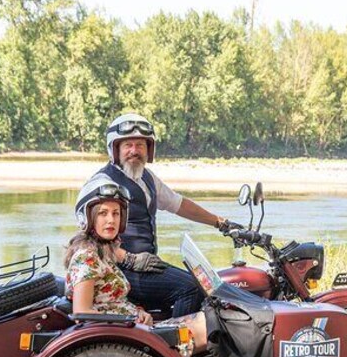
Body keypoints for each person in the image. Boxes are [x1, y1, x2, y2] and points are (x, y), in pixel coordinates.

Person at [89, 113, 238, 318]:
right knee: (191, 288)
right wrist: (129, 259)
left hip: (145, 266)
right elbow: (88, 239)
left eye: (140, 145)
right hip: (119, 270)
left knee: (200, 283)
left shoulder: (146, 178)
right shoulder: (101, 184)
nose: (134, 151)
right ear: (115, 149)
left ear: (149, 149)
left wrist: (221, 223)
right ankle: (179, 346)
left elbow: (179, 204)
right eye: (128, 145)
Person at [64, 175, 210, 352]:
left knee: (209, 319)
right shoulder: (87, 257)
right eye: (103, 213)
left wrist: (139, 312)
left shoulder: (103, 251)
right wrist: (130, 321)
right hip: (127, 340)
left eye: (116, 213)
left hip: (135, 331)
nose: (111, 220)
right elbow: (82, 314)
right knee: (210, 327)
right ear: (87, 217)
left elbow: (113, 303)